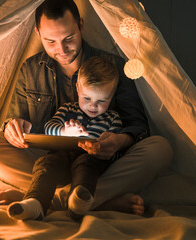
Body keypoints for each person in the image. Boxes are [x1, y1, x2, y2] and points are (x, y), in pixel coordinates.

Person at [0, 0, 172, 215]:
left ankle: (43, 198)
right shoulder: (30, 69)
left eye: (69, 38)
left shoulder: (113, 65)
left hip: (99, 165)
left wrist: (118, 141)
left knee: (160, 148)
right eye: (51, 41)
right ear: (38, 33)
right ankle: (91, 200)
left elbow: (138, 126)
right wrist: (12, 128)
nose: (62, 49)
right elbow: (14, 119)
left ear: (81, 26)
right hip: (47, 161)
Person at [8, 56, 124, 221]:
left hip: (91, 161)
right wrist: (64, 131)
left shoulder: (113, 119)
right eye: (87, 98)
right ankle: (35, 202)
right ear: (77, 89)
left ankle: (79, 200)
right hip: (61, 157)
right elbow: (49, 128)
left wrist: (103, 148)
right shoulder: (68, 109)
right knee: (45, 163)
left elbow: (116, 151)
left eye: (102, 101)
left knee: (86, 164)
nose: (93, 106)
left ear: (112, 96)